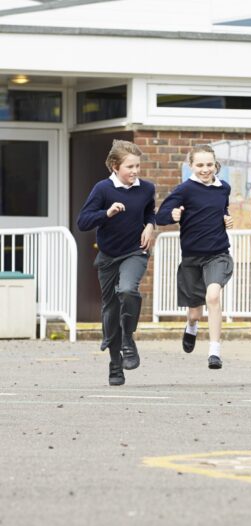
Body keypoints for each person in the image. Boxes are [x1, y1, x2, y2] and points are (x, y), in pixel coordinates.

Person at [77, 140, 155, 386]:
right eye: (130, 167)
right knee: (110, 308)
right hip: (109, 256)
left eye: (137, 166)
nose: (135, 171)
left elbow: (149, 212)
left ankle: (128, 339)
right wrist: (106, 213)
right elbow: (83, 222)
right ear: (115, 166)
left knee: (128, 289)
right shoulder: (103, 189)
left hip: (135, 251)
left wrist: (151, 226)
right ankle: (115, 364)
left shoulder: (146, 188)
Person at [156, 144, 234, 369]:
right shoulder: (185, 190)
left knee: (213, 296)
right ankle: (191, 326)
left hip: (218, 254)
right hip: (192, 257)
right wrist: (172, 214)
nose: (205, 169)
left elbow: (222, 210)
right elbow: (160, 216)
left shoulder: (223, 188)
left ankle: (214, 352)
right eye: (200, 165)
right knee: (194, 313)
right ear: (191, 166)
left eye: (209, 164)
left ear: (215, 165)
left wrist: (226, 219)